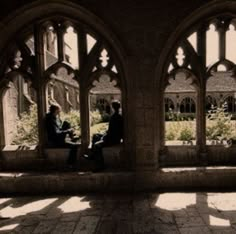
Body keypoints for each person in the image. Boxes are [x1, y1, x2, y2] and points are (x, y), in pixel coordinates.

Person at [89, 100, 123, 172]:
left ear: (113, 107)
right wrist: (104, 134)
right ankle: (92, 155)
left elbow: (113, 133)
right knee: (95, 136)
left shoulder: (115, 117)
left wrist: (104, 137)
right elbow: (111, 130)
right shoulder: (117, 116)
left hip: (113, 139)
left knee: (97, 145)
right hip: (112, 136)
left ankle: (100, 166)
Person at [45, 104, 79, 169]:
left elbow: (59, 129)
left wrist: (67, 130)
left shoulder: (54, 117)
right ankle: (70, 164)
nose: (59, 112)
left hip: (58, 137)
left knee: (66, 123)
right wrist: (67, 131)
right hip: (55, 141)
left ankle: (72, 137)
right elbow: (56, 133)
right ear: (55, 111)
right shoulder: (50, 120)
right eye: (58, 111)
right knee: (74, 146)